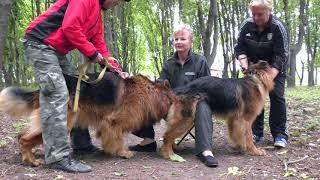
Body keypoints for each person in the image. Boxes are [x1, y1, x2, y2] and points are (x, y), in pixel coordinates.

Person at [23, 0, 131, 173]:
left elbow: (97, 41)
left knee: (77, 93)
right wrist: (93, 54)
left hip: (56, 50)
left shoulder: (97, 13)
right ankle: (58, 157)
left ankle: (81, 145)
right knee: (58, 96)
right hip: (41, 43)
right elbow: (70, 27)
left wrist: (116, 69)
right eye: (118, 0)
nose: (118, 4)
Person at [129, 24, 218, 168]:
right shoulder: (169, 63)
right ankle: (148, 140)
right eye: (176, 39)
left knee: (203, 105)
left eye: (182, 38)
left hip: (194, 104)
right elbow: (161, 85)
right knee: (142, 99)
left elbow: (207, 88)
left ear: (191, 42)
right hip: (172, 105)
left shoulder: (200, 61)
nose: (178, 42)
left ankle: (205, 151)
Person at [234, 0, 289, 148]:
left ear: (269, 11)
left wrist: (269, 77)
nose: (256, 18)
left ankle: (280, 134)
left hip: (274, 68)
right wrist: (245, 66)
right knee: (253, 98)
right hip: (253, 67)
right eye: (254, 14)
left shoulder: (278, 27)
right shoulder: (246, 25)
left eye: (260, 14)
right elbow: (239, 48)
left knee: (277, 97)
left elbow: (281, 56)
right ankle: (256, 133)